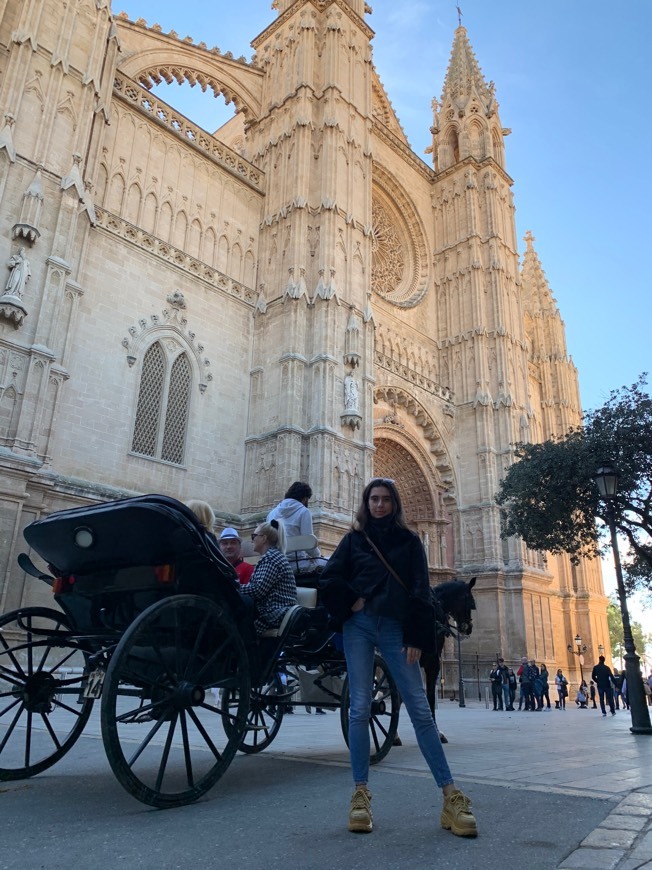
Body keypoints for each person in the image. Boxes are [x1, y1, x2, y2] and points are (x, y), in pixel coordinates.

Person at [320, 478, 477, 837]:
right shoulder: (354, 540)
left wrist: (417, 636)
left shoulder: (410, 542)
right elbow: (329, 577)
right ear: (366, 502)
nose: (378, 505)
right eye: (373, 499)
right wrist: (350, 600)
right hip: (359, 626)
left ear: (395, 503)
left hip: (394, 629)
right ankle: (360, 794)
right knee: (359, 708)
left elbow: (421, 590)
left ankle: (450, 795)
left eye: (385, 499)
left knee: (420, 710)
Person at [240, 520, 297, 635]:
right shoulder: (272, 556)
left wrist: (233, 586)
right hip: (273, 610)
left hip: (273, 613)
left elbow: (257, 590)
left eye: (254, 536)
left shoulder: (271, 558)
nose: (252, 540)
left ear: (264, 538)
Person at [267, 482, 325, 572]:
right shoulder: (303, 511)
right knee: (328, 563)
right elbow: (308, 543)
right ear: (305, 498)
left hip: (274, 562)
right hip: (296, 563)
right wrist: (318, 555)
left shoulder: (272, 513)